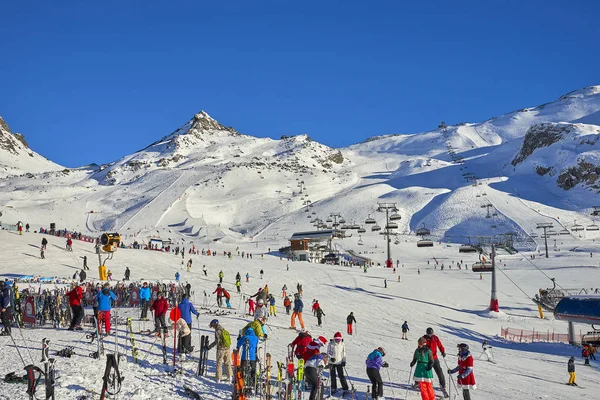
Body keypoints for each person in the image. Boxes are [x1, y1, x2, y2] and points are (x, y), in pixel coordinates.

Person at [425, 327, 448, 397]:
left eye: (431, 334)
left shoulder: (435, 338)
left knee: (439, 372)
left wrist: (443, 351)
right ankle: (418, 382)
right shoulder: (424, 338)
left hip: (435, 358)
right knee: (424, 372)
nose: (430, 335)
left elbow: (440, 345)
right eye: (428, 334)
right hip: (427, 359)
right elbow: (420, 346)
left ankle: (443, 386)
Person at [237, 324, 259, 389]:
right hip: (253, 357)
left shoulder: (244, 337)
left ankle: (242, 382)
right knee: (253, 370)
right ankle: (253, 382)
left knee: (242, 369)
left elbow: (238, 344)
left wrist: (239, 339)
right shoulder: (256, 338)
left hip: (244, 357)